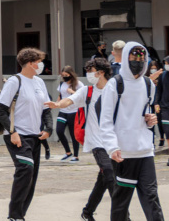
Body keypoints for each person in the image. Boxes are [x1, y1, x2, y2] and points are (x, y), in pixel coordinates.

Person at [97, 42, 162, 220]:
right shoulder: (115, 84)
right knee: (121, 203)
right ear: (125, 58)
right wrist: (111, 147)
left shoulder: (149, 84)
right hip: (123, 152)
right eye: (133, 58)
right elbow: (106, 120)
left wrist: (151, 120)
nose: (137, 61)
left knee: (151, 197)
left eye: (141, 58)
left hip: (145, 151)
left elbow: (145, 115)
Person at [45, 58, 114, 221]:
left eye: (91, 71)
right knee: (111, 176)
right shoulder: (87, 91)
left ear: (101, 72)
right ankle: (124, 216)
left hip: (114, 143)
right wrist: (58, 104)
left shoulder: (115, 89)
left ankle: (87, 212)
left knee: (104, 179)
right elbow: (69, 100)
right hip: (97, 142)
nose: (88, 74)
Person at [0, 47, 52, 221]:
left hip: (35, 137)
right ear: (29, 63)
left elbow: (46, 109)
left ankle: (20, 215)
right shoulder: (14, 81)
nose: (41, 64)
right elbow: (0, 110)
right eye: (38, 61)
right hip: (18, 136)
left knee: (31, 177)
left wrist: (48, 129)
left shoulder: (39, 82)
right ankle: (14, 215)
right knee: (25, 170)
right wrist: (13, 132)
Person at [56, 65, 85, 162]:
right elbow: (60, 96)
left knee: (73, 134)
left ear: (71, 75)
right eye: (63, 75)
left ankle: (76, 155)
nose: (65, 77)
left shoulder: (78, 84)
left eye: (66, 75)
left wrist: (72, 91)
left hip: (74, 112)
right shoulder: (61, 84)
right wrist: (56, 104)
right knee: (59, 130)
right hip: (63, 111)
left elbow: (82, 97)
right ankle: (68, 152)